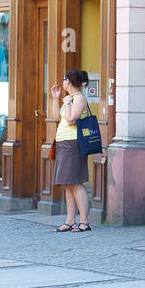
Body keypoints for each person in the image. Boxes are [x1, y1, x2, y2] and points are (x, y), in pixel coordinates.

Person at [50, 68, 93, 233]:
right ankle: (70, 221)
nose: (62, 82)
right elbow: (56, 117)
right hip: (63, 143)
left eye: (63, 79)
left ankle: (84, 221)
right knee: (67, 184)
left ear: (68, 81)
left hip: (73, 144)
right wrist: (56, 99)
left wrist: (67, 103)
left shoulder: (79, 99)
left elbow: (71, 119)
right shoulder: (69, 99)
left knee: (75, 183)